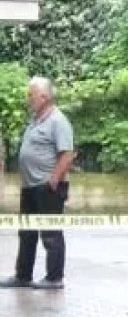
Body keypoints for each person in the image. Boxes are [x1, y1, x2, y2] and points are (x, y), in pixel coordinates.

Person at [0, 77, 75, 289]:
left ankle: (54, 278)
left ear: (44, 96)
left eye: (30, 94)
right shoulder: (36, 120)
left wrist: (53, 181)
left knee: (50, 233)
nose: (28, 98)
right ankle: (22, 276)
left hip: (47, 187)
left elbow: (67, 154)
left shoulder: (58, 121)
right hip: (31, 187)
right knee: (27, 232)